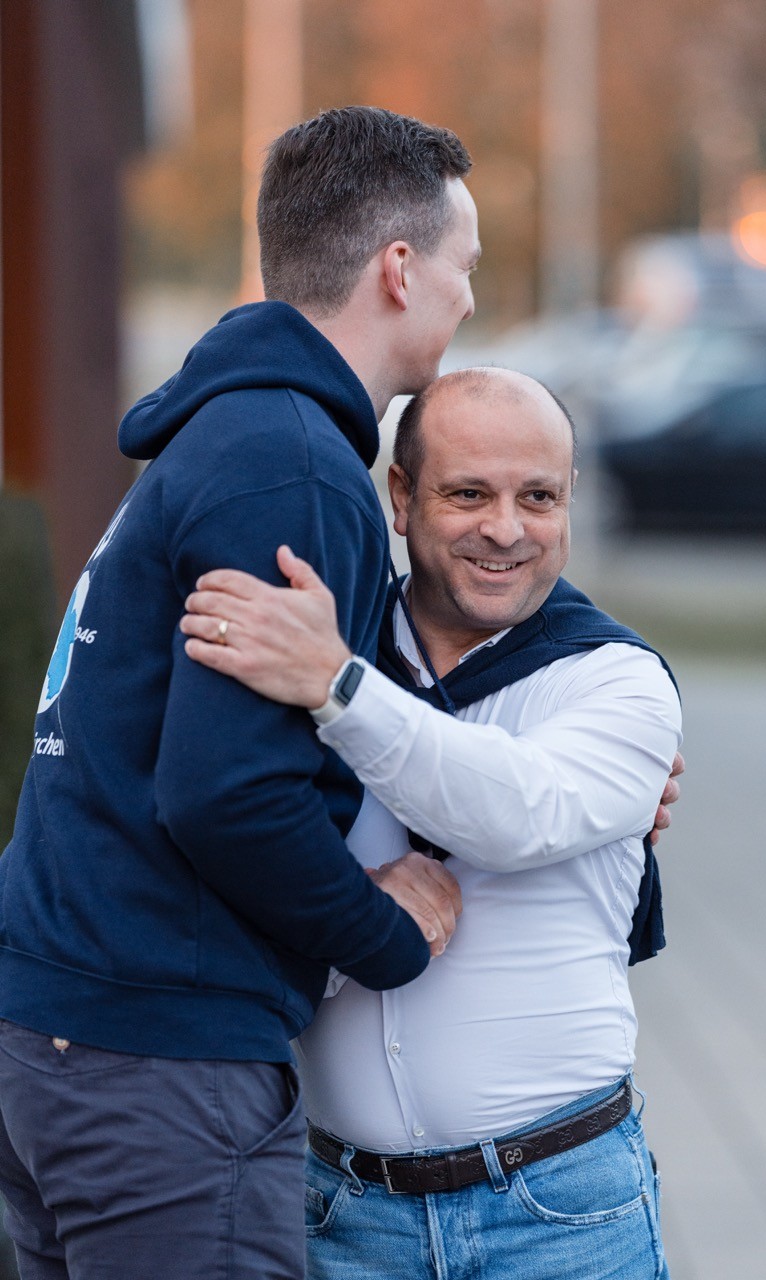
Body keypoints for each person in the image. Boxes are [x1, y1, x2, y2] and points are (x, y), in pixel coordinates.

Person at [0, 106, 481, 1280]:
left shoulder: (229, 434)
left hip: (72, 1035)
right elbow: (223, 791)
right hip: (157, 1061)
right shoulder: (291, 464)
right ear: (398, 268)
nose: (470, 298)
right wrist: (385, 933)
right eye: (464, 266)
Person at [180, 366, 684, 1280]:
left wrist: (338, 691)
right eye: (468, 494)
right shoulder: (315, 645)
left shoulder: (614, 680)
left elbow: (514, 811)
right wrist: (348, 905)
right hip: (340, 1217)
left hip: (560, 1219)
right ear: (402, 497)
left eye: (538, 497)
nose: (506, 529)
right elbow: (227, 861)